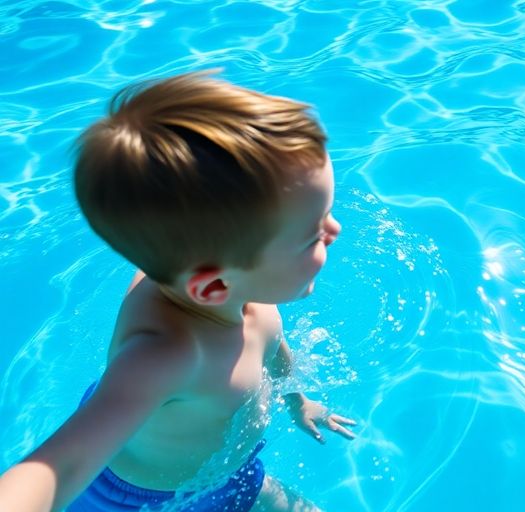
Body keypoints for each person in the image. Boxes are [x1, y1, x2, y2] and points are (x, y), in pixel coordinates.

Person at [0, 70, 355, 511]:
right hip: (148, 499)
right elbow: (63, 465)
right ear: (212, 285)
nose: (334, 231)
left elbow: (271, 347)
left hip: (227, 469)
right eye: (312, 235)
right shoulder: (164, 357)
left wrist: (296, 401)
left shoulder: (233, 287)